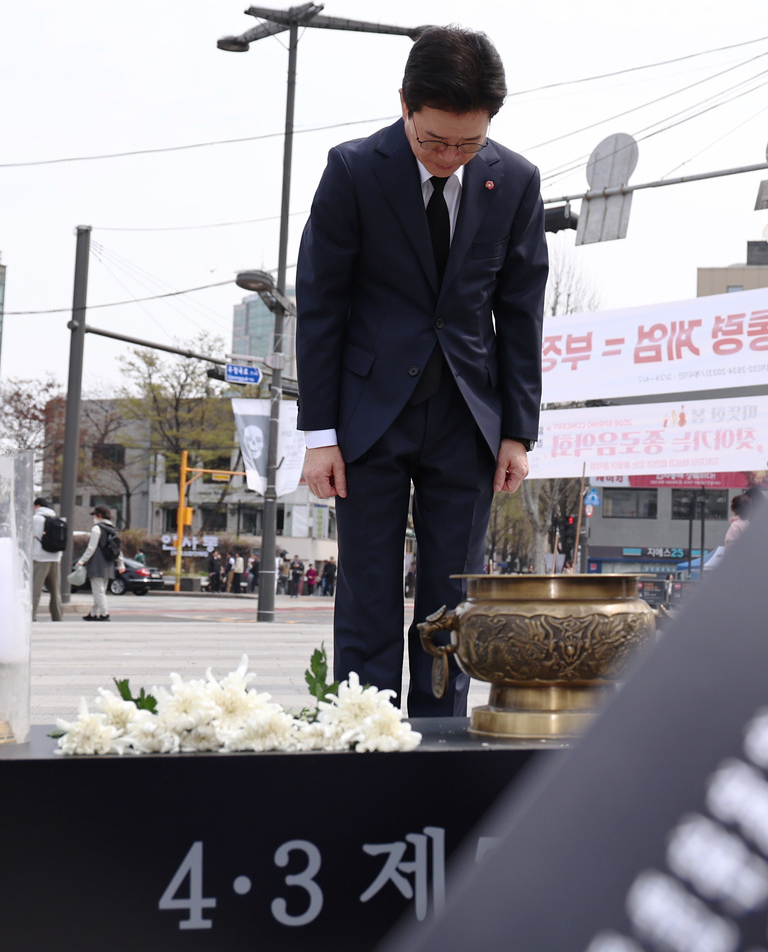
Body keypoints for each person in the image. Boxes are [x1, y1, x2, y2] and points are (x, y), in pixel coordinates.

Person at [297, 26, 547, 717]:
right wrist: (320, 432)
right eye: (434, 140)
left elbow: (521, 312)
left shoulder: (515, 180)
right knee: (368, 590)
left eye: (467, 144)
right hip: (367, 418)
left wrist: (518, 432)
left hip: (468, 418)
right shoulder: (353, 170)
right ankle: (364, 735)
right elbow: (321, 304)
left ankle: (437, 736)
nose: (448, 157)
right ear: (404, 103)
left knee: (449, 600)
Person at [74, 505, 123, 622]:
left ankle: (104, 613)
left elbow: (91, 548)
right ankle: (93, 613)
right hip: (109, 563)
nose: (94, 518)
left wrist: (81, 561)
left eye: (95, 515)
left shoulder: (97, 529)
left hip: (97, 563)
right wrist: (121, 564)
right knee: (100, 590)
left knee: (98, 591)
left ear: (99, 515)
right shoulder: (112, 529)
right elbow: (118, 549)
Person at [31, 497, 64, 622]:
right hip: (55, 559)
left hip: (40, 558)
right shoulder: (56, 518)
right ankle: (57, 617)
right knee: (55, 592)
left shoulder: (36, 519)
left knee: (35, 591)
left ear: (37, 506)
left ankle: (31, 616)